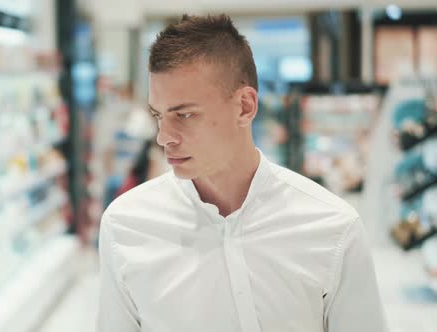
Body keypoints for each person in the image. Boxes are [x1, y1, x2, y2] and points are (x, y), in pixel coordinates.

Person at [97, 14, 388, 332]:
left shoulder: (333, 228)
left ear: (245, 107)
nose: (163, 137)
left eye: (185, 114)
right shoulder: (125, 226)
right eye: (158, 115)